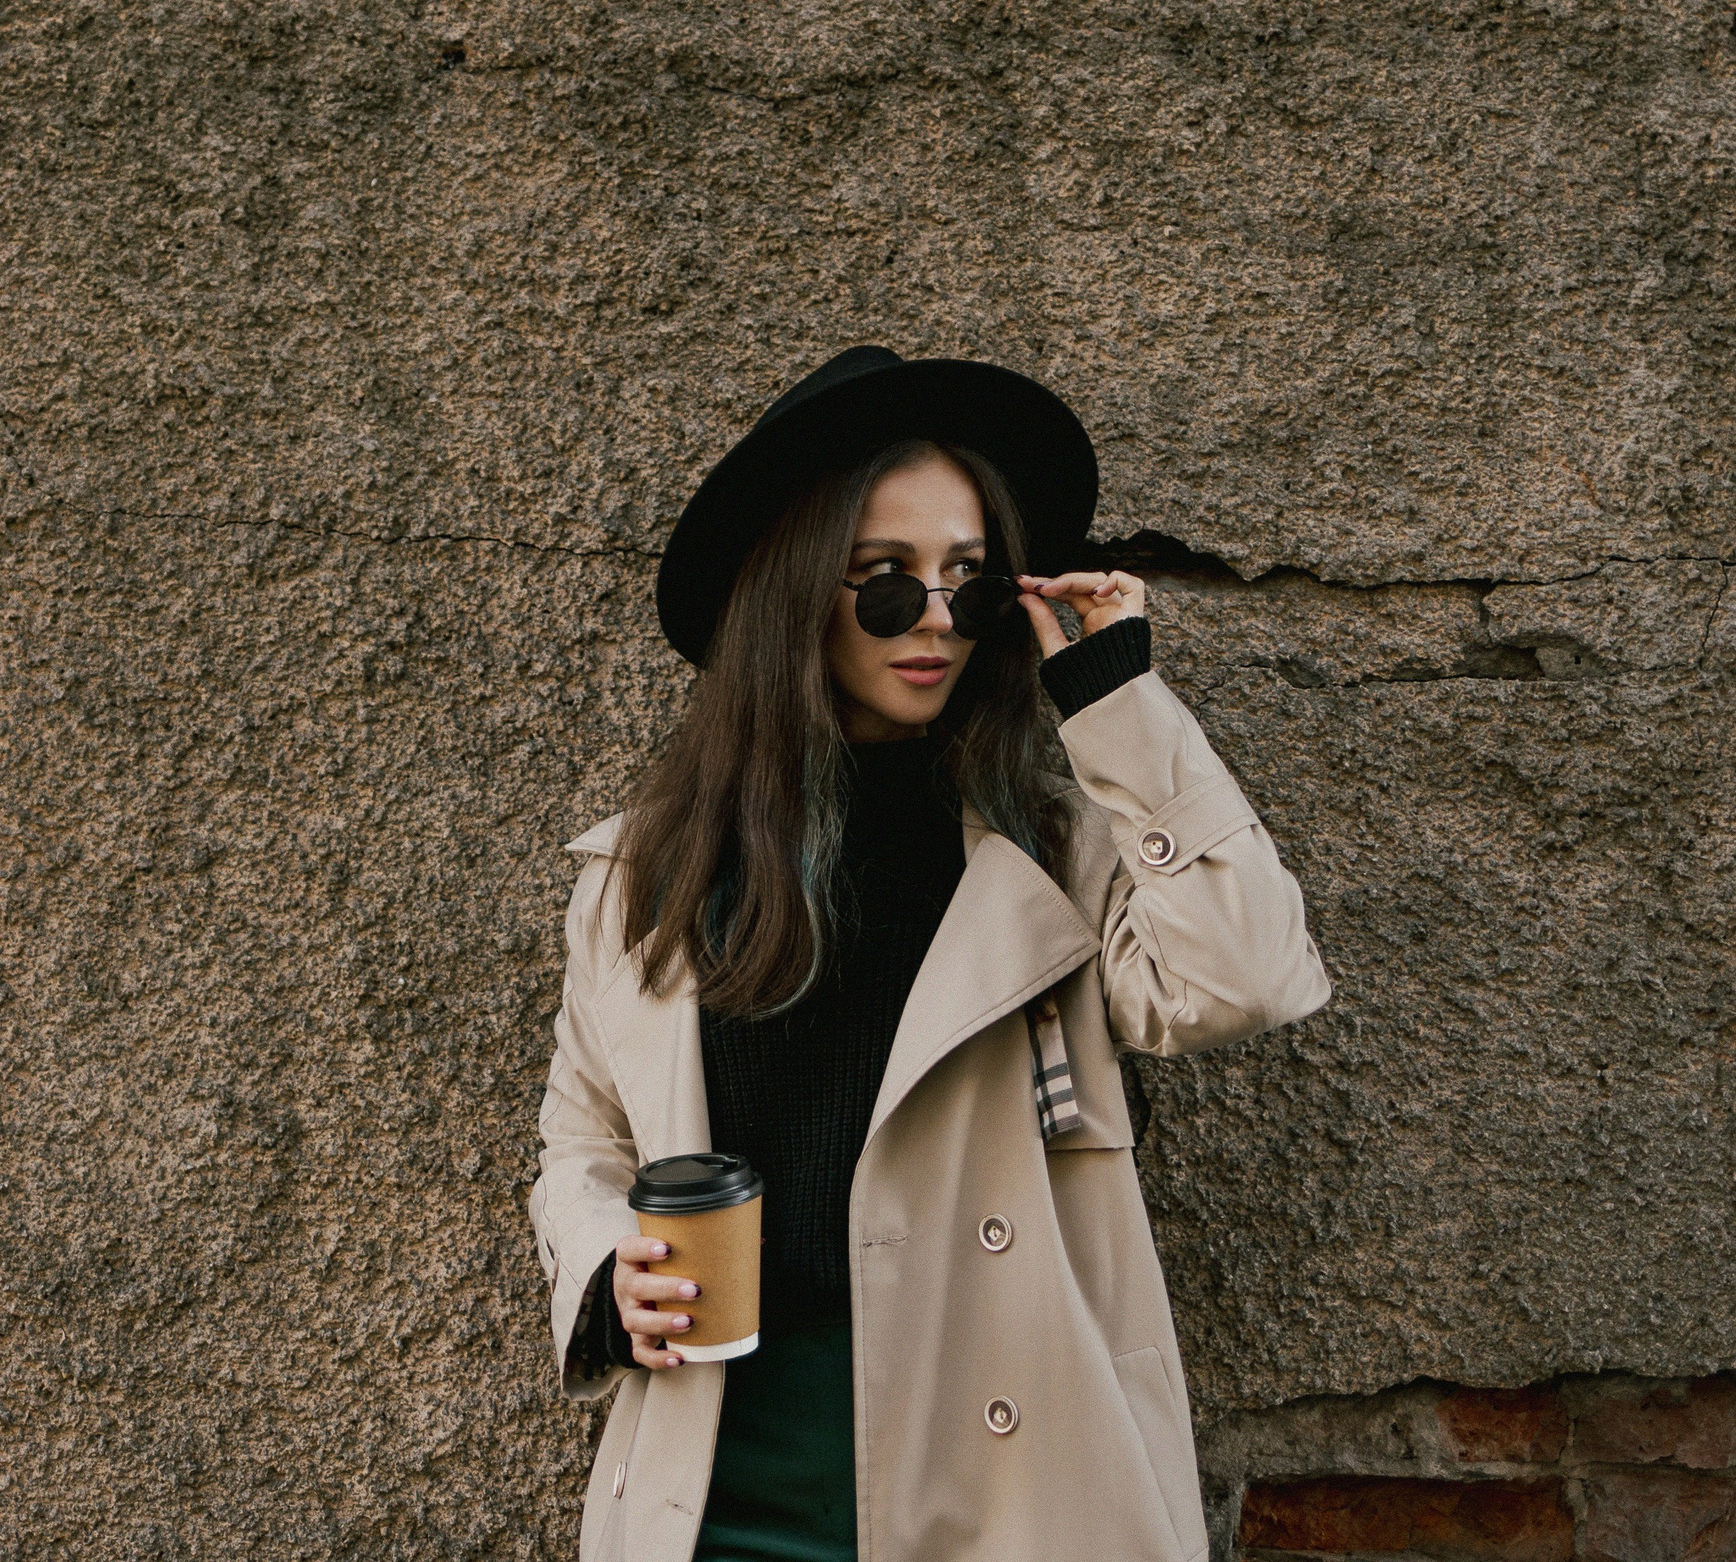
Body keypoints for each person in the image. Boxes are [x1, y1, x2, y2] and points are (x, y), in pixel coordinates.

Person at [527, 347, 1330, 1562]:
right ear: (795, 593)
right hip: (715, 1486)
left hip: (1005, 1483)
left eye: (968, 580)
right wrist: (604, 1269)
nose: (938, 621)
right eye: (885, 583)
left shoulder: (1048, 850)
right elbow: (583, 1138)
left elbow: (1245, 975)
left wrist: (1115, 699)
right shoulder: (648, 874)